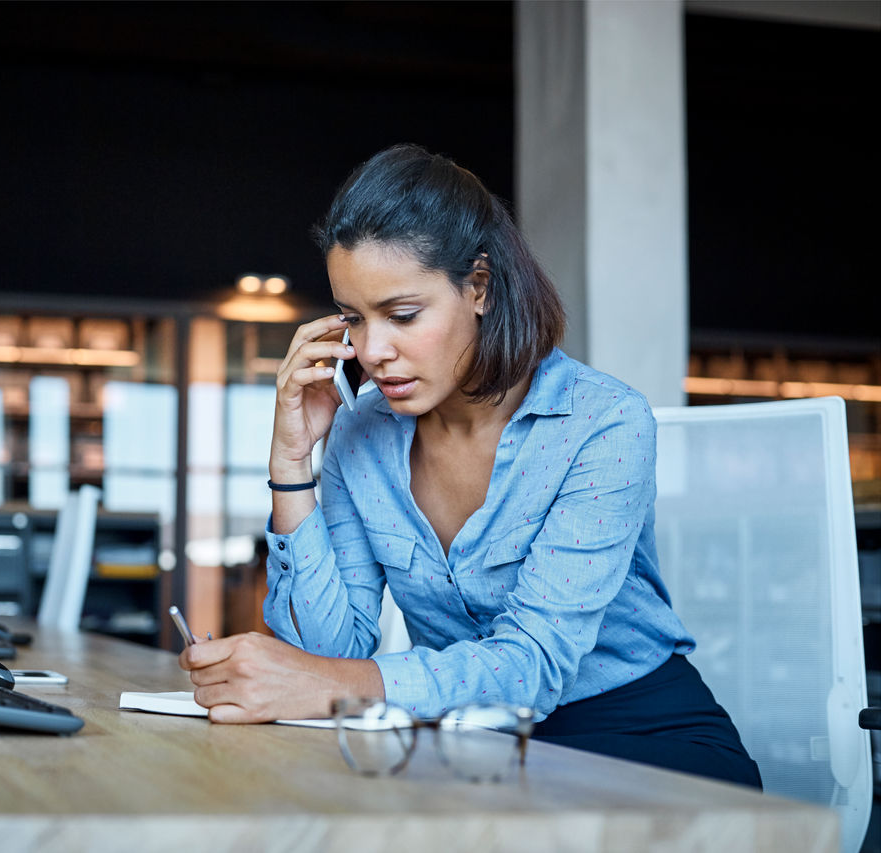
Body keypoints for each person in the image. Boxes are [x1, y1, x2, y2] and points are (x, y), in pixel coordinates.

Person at [179, 143, 761, 788]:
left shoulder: (603, 423)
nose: (371, 351)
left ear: (478, 287)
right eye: (353, 320)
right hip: (465, 743)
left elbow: (532, 666)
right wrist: (291, 461)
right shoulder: (360, 431)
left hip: (636, 736)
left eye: (402, 315)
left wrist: (321, 684)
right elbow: (329, 651)